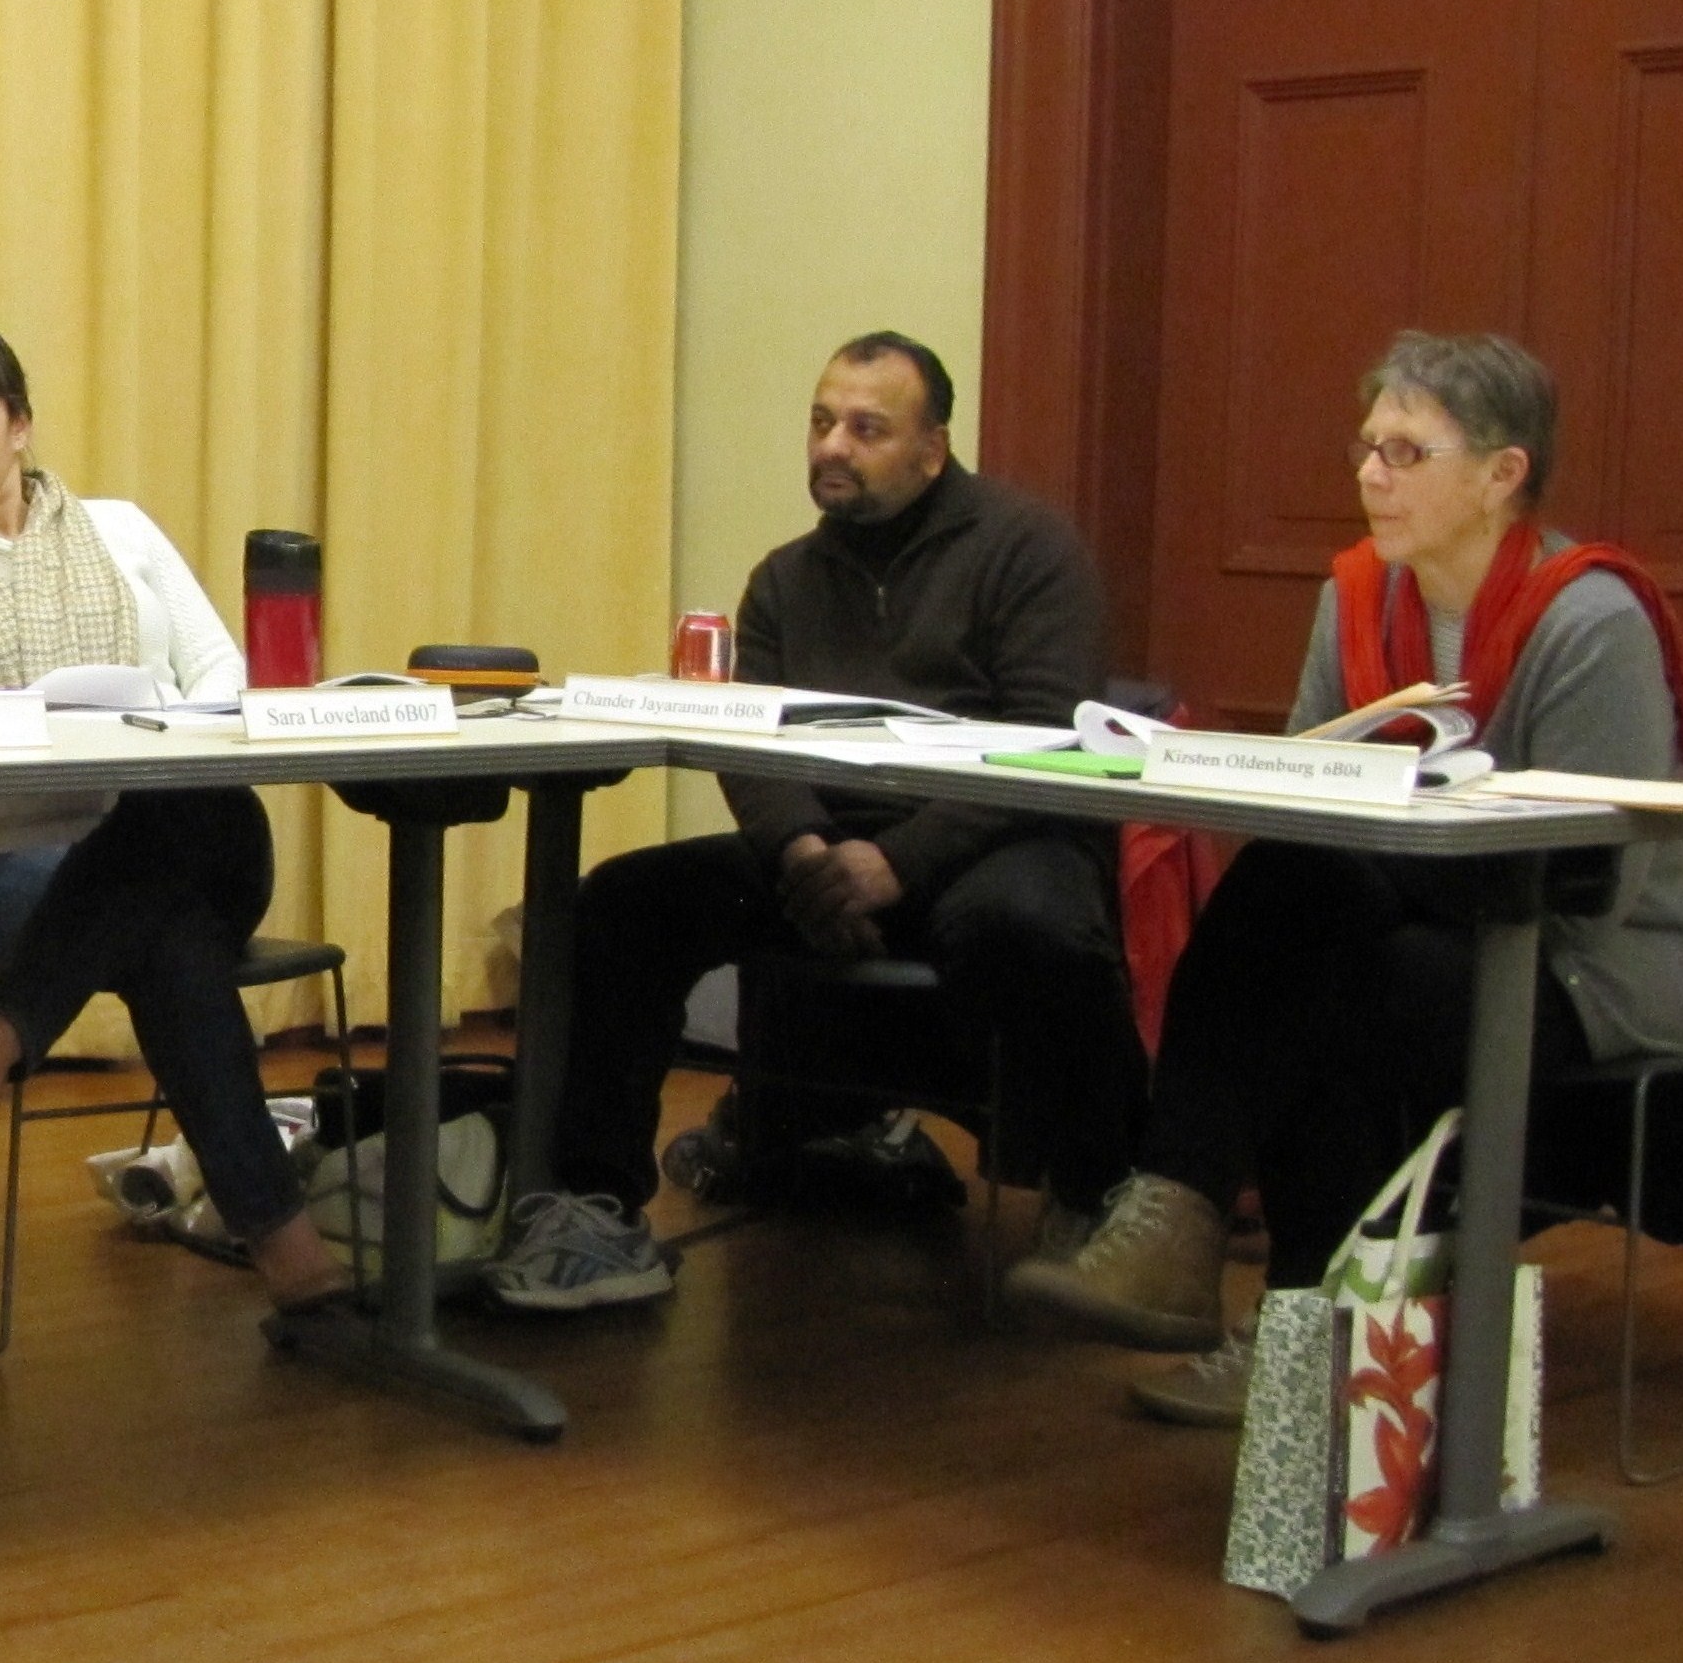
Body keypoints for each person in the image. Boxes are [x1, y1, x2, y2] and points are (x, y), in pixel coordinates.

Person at [1006, 331, 1683, 1423]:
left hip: (1588, 965)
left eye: (1405, 452)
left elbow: (1598, 882)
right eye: (1366, 446)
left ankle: (1278, 1325)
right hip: (1425, 914)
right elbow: (1316, 800)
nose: (1370, 474)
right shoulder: (1360, 596)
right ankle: (1196, 1236)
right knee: (1296, 899)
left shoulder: (1590, 618)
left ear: (1501, 474)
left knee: (1334, 993)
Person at [485, 332, 1146, 1310]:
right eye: (821, 421)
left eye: (867, 429)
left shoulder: (1028, 551)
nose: (832, 446)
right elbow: (749, 741)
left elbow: (1046, 743)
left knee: (1030, 923)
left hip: (990, 839)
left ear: (932, 449)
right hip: (826, 845)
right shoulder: (784, 580)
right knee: (624, 904)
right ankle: (591, 1208)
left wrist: (896, 862)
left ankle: (1097, 1192)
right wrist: (803, 852)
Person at [0, 319, 347, 1310]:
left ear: (19, 426)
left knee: (169, 816)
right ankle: (287, 1248)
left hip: (200, 836)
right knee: (170, 943)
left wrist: (149, 756)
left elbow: (222, 669)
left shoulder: (123, 532)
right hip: (16, 861)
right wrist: (24, 791)